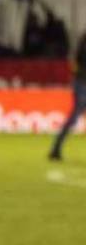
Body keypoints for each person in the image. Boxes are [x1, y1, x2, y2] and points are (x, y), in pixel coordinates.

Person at [49, 32, 86, 160]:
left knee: (73, 118)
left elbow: (74, 63)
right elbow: (75, 63)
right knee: (74, 117)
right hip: (82, 84)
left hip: (80, 82)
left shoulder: (81, 43)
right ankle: (56, 149)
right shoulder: (83, 44)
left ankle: (56, 149)